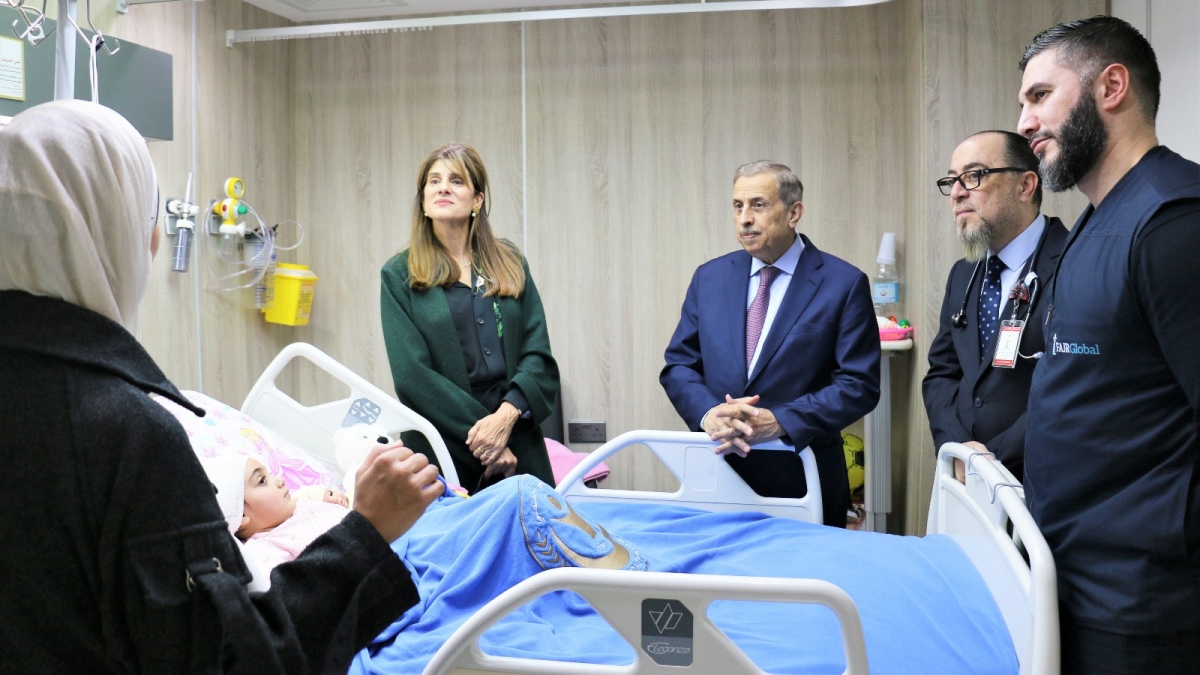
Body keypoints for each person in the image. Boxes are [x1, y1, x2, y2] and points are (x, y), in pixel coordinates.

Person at [0, 100, 444, 673]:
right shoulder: (126, 436)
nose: (154, 241)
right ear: (113, 237)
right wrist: (366, 533)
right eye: (147, 221)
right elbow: (230, 661)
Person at [1016, 16, 1200, 673]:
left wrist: (1158, 537)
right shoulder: (1095, 224)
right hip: (1071, 581)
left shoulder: (1173, 224)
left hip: (1142, 607)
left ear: (1111, 86)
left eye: (1040, 96)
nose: (1025, 122)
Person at [661, 161, 881, 528]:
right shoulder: (710, 278)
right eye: (738, 206)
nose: (745, 219)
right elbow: (679, 365)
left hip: (801, 477)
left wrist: (781, 421)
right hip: (717, 471)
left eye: (758, 205)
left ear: (794, 213)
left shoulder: (843, 283)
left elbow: (859, 385)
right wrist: (708, 413)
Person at [381, 143, 558, 493]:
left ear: (477, 199)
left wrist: (506, 418)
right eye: (434, 181)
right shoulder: (399, 274)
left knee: (537, 526)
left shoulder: (509, 261)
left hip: (516, 436)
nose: (443, 188)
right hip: (442, 444)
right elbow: (412, 376)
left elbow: (538, 355)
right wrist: (487, 438)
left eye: (456, 181)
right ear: (424, 201)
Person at [923, 130, 1068, 482]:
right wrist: (957, 446)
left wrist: (992, 462)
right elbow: (942, 373)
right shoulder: (964, 273)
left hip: (1036, 480)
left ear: (1025, 186)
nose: (957, 192)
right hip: (962, 477)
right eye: (952, 181)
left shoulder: (1073, 265)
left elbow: (1072, 387)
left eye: (974, 176)